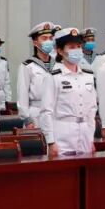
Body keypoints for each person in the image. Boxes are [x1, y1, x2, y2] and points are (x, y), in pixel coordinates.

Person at [39, 28, 96, 157]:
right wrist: (51, 141)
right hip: (63, 132)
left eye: (79, 46)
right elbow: (46, 111)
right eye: (71, 47)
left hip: (85, 132)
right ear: (60, 50)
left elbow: (92, 109)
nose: (76, 50)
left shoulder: (88, 76)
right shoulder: (53, 76)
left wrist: (91, 138)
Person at [17, 22, 57, 129]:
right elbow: (23, 93)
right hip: (36, 113)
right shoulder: (28, 66)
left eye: (50, 38)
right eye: (44, 38)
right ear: (35, 43)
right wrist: (27, 119)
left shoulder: (57, 64)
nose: (48, 41)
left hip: (55, 112)